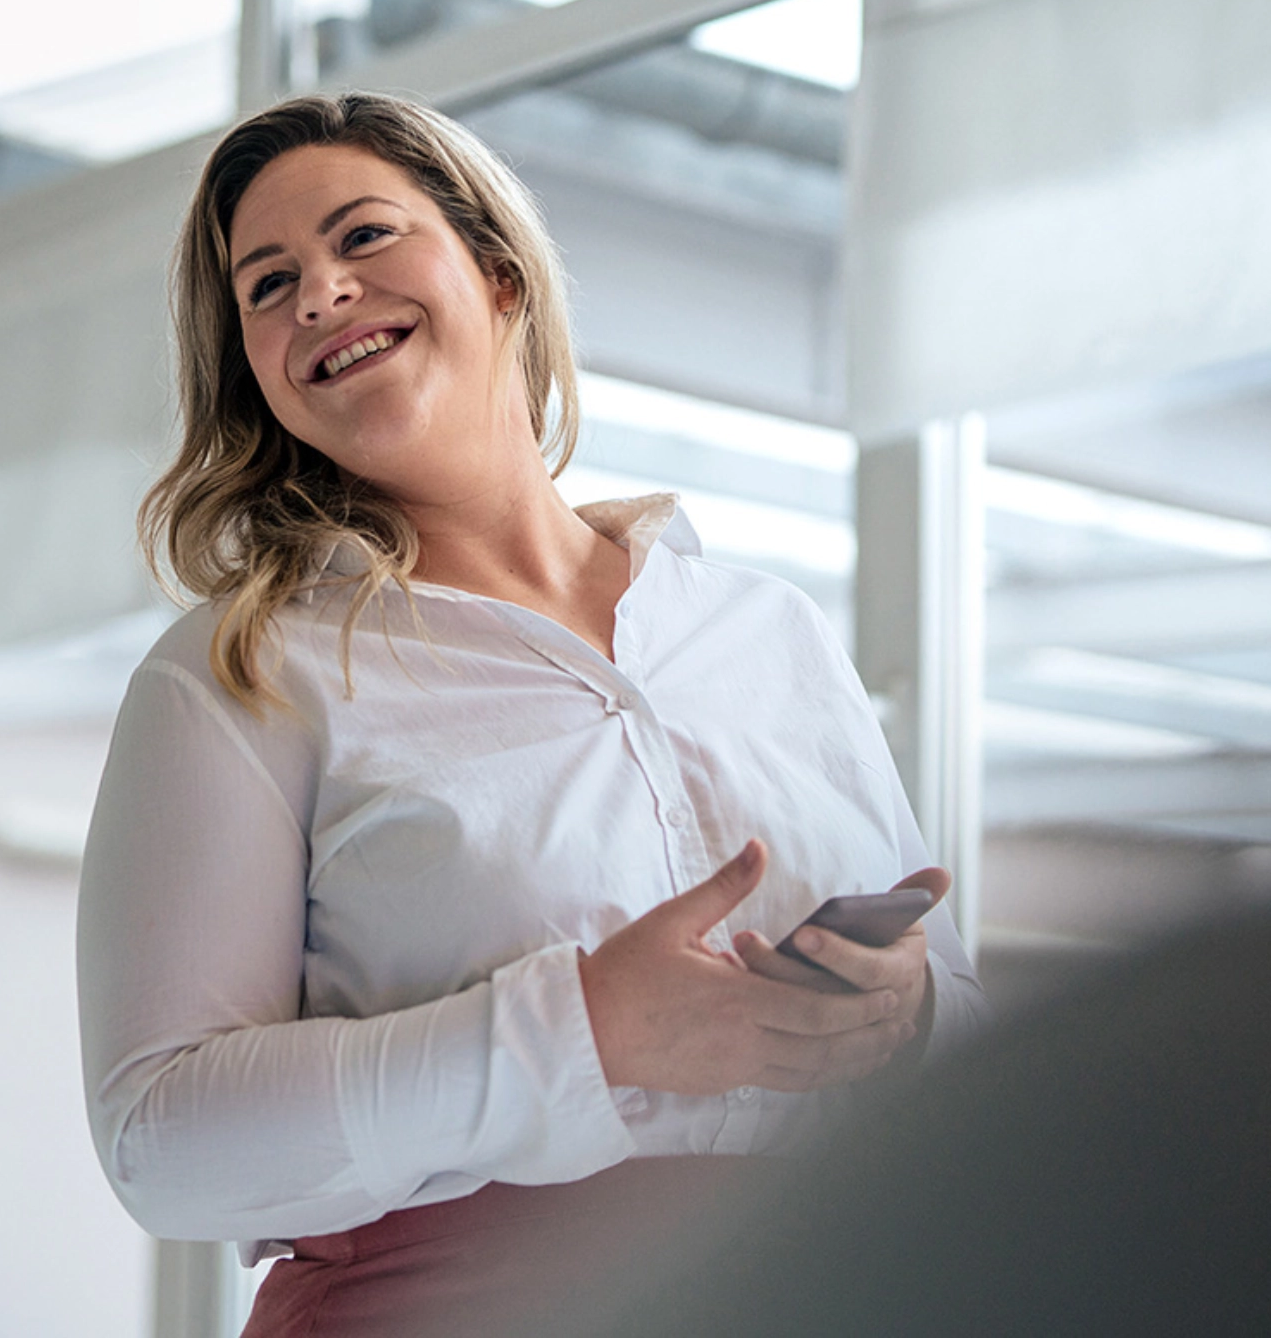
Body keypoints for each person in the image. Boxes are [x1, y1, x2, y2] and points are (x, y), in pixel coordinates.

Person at [75, 92, 989, 1336]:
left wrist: (908, 1011)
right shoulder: (235, 675)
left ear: (497, 275)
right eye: (267, 284)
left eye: (363, 237)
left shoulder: (763, 628)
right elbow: (160, 1139)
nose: (319, 293)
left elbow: (958, 1015)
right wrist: (586, 1030)